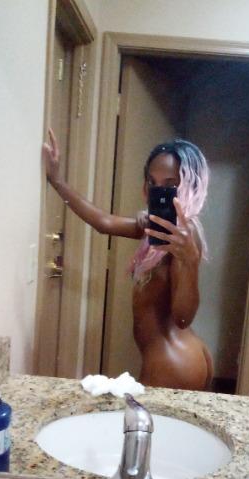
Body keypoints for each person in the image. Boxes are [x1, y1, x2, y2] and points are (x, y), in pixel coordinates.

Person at [43, 129, 213, 390]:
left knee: (135, 418)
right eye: (152, 182)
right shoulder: (157, 228)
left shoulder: (183, 236)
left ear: (189, 186)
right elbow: (104, 223)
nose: (159, 191)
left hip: (171, 362)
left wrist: (190, 262)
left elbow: (182, 318)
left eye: (169, 185)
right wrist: (57, 181)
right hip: (176, 354)